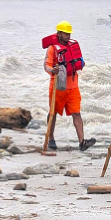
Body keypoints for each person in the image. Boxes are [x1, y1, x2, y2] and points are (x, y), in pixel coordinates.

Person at [44, 21, 95, 151]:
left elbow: (80, 61)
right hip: (57, 86)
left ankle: (82, 142)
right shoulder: (52, 49)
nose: (67, 36)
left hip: (73, 86)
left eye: (69, 33)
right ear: (59, 33)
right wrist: (52, 70)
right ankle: (51, 139)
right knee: (53, 112)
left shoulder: (73, 45)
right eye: (65, 33)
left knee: (76, 113)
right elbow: (46, 65)